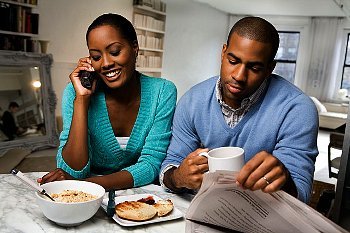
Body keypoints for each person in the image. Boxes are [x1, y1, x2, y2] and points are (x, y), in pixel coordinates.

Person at [160, 16, 318, 203]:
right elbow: (169, 166)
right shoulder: (192, 101)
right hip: (203, 209)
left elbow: (302, 196)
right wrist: (178, 177)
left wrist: (284, 180)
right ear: (223, 52)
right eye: (233, 61)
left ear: (270, 68)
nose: (239, 76)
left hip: (264, 215)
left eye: (254, 68)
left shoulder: (297, 109)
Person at [38, 13, 177, 191]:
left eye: (114, 52)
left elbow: (151, 165)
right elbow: (72, 170)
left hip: (136, 194)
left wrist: (84, 185)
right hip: (85, 197)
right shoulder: (75, 92)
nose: (105, 63)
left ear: (135, 48)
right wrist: (82, 100)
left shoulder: (162, 92)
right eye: (96, 57)